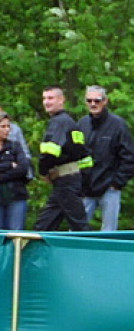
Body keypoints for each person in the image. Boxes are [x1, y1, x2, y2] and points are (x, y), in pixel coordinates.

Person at [77, 86, 134, 231]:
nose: (93, 104)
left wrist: (117, 182)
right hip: (85, 188)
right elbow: (74, 153)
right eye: (89, 100)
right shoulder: (81, 124)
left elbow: (129, 157)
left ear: (105, 101)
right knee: (76, 229)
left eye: (97, 100)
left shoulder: (118, 125)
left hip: (109, 188)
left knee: (109, 232)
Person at [34, 86, 91, 231]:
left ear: (61, 100)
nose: (46, 102)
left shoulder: (59, 122)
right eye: (44, 98)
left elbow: (51, 151)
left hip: (66, 181)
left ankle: (95, 252)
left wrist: (43, 171)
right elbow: (81, 153)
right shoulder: (70, 122)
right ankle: (30, 250)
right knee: (45, 224)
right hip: (67, 180)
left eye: (50, 98)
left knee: (79, 226)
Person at [0, 112, 30, 230]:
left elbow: (23, 168)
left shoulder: (15, 146)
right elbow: (15, 170)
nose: (7, 130)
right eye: (3, 127)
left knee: (16, 234)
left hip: (16, 196)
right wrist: (9, 165)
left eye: (8, 127)